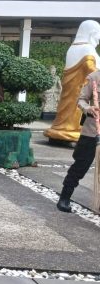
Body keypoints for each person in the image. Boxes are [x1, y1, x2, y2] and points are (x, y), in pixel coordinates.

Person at [57, 69, 100, 212]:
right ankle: (65, 197)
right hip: (92, 131)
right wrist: (89, 108)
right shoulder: (94, 77)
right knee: (80, 165)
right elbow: (81, 99)